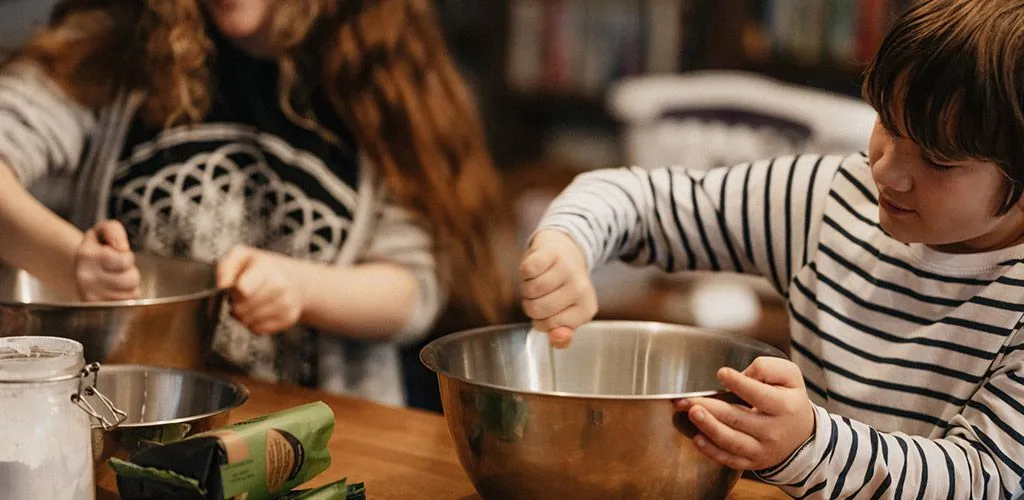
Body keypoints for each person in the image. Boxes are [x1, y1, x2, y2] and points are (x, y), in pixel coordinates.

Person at [518, 0, 1024, 497]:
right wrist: (567, 244)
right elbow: (640, 201)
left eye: (936, 160)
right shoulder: (831, 199)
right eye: (887, 125)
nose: (886, 171)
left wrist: (807, 445)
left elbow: (988, 479)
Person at [0, 0, 508, 406]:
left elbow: (413, 290)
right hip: (117, 417)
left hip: (317, 435)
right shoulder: (112, 44)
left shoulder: (382, 75)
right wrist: (70, 261)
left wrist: (301, 287)